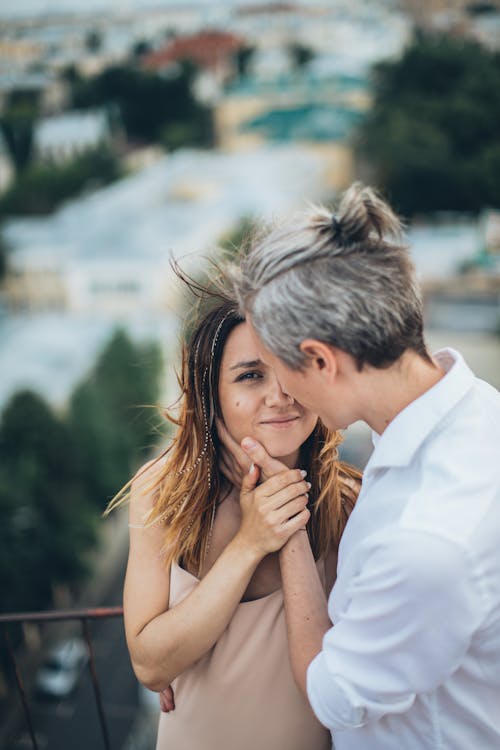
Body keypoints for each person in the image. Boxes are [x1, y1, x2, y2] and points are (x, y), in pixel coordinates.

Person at [230, 182, 500, 750]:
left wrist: (290, 531)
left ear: (321, 361)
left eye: (281, 368)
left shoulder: (427, 539)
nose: (281, 394)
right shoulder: (481, 413)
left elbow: (330, 697)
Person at [108, 294, 360, 750]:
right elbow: (149, 666)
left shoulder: (347, 503)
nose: (279, 395)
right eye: (250, 375)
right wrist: (250, 541)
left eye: (291, 370)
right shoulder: (165, 496)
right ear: (212, 395)